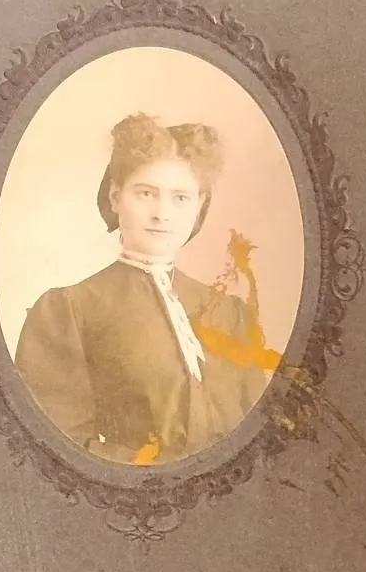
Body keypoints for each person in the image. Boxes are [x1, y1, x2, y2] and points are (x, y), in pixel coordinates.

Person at [15, 112, 267, 465]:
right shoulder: (71, 311)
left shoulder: (230, 314)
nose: (162, 213)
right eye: (146, 193)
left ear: (199, 206)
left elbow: (264, 442)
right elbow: (58, 450)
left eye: (180, 197)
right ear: (116, 198)